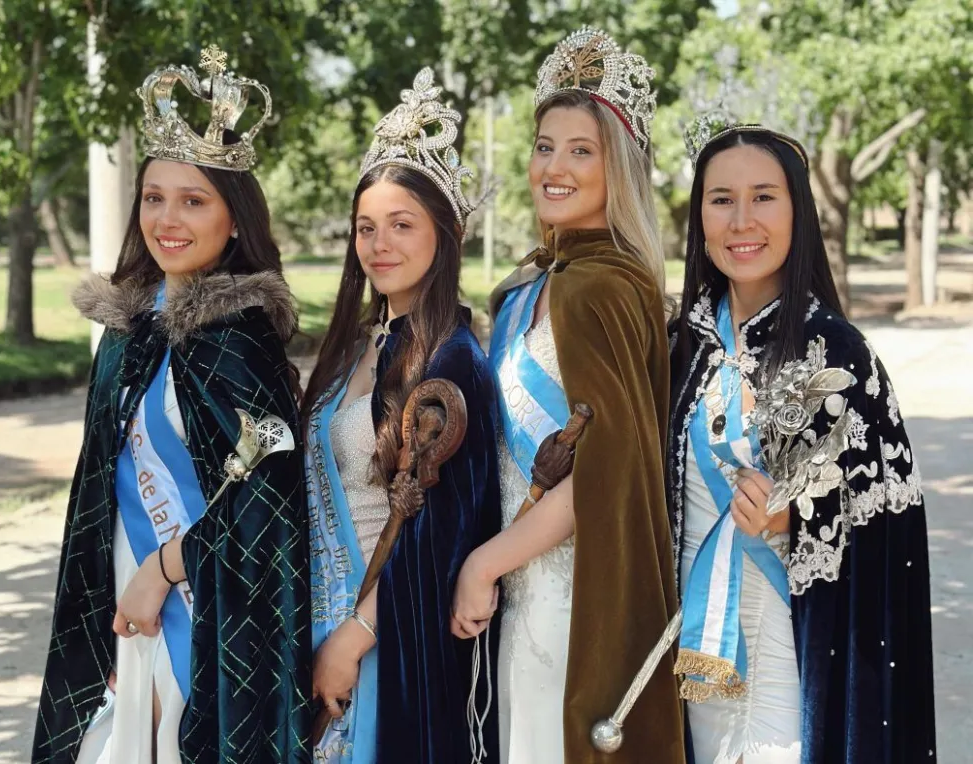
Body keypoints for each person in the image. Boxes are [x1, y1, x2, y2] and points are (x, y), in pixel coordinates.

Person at [33, 45, 312, 763]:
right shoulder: (127, 332)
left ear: (234, 221)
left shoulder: (241, 341)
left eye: (194, 200)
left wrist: (162, 575)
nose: (168, 219)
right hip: (128, 600)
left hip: (212, 618)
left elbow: (267, 509)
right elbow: (95, 490)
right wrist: (107, 603)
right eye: (154, 197)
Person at [668, 116, 937, 763]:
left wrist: (796, 513)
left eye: (764, 196)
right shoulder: (681, 347)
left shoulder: (838, 355)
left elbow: (890, 525)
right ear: (699, 218)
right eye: (721, 199)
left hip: (795, 646)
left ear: (798, 211)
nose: (742, 222)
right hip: (696, 646)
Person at [452, 27, 685, 764]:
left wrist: (483, 563)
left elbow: (604, 476)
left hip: (573, 597)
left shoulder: (603, 286)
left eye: (581, 150)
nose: (554, 167)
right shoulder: (532, 284)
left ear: (617, 167)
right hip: (522, 589)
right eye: (544, 145)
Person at [301, 67, 501, 764]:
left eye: (401, 225)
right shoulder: (356, 345)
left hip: (387, 640)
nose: (379, 244)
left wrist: (353, 638)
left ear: (444, 234)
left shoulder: (454, 364)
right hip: (325, 623)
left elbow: (443, 535)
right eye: (366, 227)